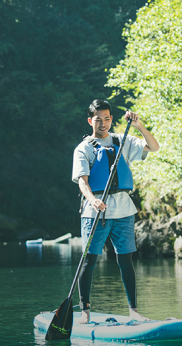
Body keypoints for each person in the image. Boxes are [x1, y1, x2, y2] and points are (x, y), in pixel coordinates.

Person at [72, 99, 160, 324]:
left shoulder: (123, 141)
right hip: (95, 214)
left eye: (107, 119)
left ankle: (134, 311)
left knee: (126, 261)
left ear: (111, 119)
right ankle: (85, 312)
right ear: (90, 120)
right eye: (98, 120)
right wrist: (92, 200)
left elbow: (154, 147)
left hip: (123, 211)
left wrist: (139, 125)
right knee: (88, 262)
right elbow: (83, 182)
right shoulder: (83, 149)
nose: (103, 124)